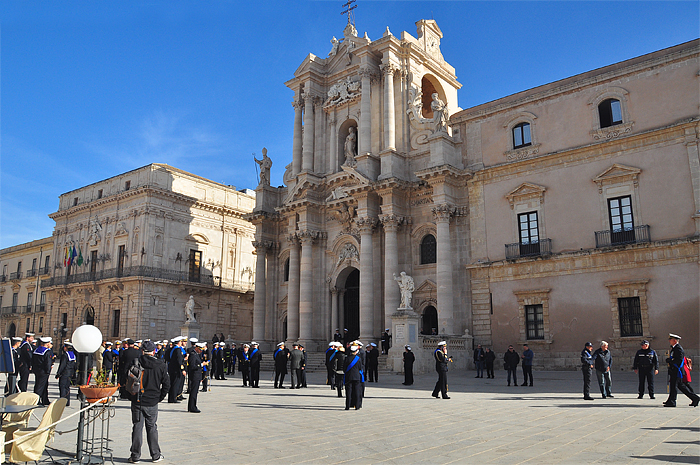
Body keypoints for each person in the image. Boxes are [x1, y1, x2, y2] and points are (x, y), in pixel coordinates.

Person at [127, 340, 169, 463]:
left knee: (137, 427)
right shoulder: (160, 364)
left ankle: (135, 456)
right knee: (152, 428)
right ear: (154, 351)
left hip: (138, 400)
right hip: (152, 401)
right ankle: (155, 455)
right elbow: (166, 384)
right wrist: (159, 397)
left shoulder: (135, 362)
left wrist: (131, 397)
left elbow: (127, 381)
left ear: (142, 351)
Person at [664, 333, 700, 407]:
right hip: (674, 370)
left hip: (677, 370)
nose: (669, 341)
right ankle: (695, 398)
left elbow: (679, 360)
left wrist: (670, 361)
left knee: (674, 386)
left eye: (670, 339)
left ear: (674, 340)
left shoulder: (678, 348)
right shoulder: (674, 348)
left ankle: (672, 401)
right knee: (680, 386)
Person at [32, 337, 54, 405]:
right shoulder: (47, 351)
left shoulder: (36, 350)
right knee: (40, 386)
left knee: (42, 385)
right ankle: (37, 401)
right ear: (47, 344)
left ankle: (45, 400)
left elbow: (32, 360)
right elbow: (48, 362)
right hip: (44, 371)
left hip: (37, 370)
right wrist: (48, 371)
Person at [187, 343, 207, 413]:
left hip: (197, 376)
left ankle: (192, 406)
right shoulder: (193, 355)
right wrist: (201, 365)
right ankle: (192, 407)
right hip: (194, 376)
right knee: (194, 392)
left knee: (195, 392)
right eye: (200, 350)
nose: (201, 351)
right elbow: (192, 366)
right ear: (197, 348)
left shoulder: (196, 354)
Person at [55, 341, 76, 406]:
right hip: (70, 373)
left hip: (64, 373)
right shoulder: (73, 355)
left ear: (65, 348)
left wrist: (58, 373)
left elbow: (62, 365)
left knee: (62, 387)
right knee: (67, 387)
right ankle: (67, 401)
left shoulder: (65, 355)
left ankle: (62, 401)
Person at [343, 345, 364, 410]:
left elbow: (344, 368)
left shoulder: (346, 358)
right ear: (355, 352)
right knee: (357, 391)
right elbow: (360, 368)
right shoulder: (358, 358)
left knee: (348, 392)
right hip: (357, 377)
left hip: (348, 377)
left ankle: (347, 406)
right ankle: (357, 406)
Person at [168, 337, 187, 403]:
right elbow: (179, 361)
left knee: (173, 383)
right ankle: (173, 398)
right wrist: (182, 369)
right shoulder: (178, 350)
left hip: (172, 368)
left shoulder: (173, 349)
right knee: (175, 384)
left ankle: (171, 398)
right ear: (179, 342)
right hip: (176, 369)